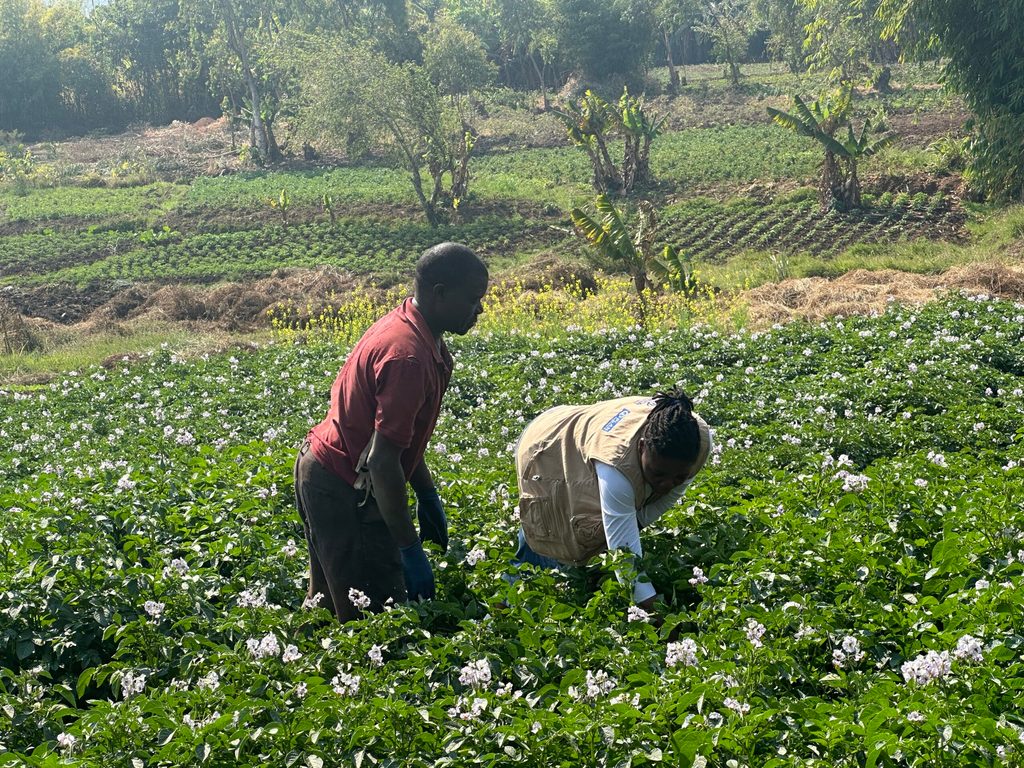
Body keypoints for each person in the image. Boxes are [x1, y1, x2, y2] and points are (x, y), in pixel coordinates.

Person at [294, 242, 488, 621]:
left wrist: (426, 492)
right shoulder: (408, 358)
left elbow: (398, 439)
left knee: (327, 607)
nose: (479, 309)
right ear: (440, 294)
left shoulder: (416, 330)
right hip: (343, 488)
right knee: (375, 620)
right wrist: (409, 548)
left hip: (325, 471)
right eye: (472, 299)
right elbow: (383, 462)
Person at [513, 390, 712, 612]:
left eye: (678, 477)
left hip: (585, 435)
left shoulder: (697, 442)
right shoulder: (616, 469)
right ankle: (505, 604)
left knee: (604, 531)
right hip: (546, 443)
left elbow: (661, 502)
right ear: (642, 446)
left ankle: (585, 575)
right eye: (658, 475)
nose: (666, 485)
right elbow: (626, 562)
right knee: (549, 527)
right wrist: (659, 616)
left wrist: (624, 532)